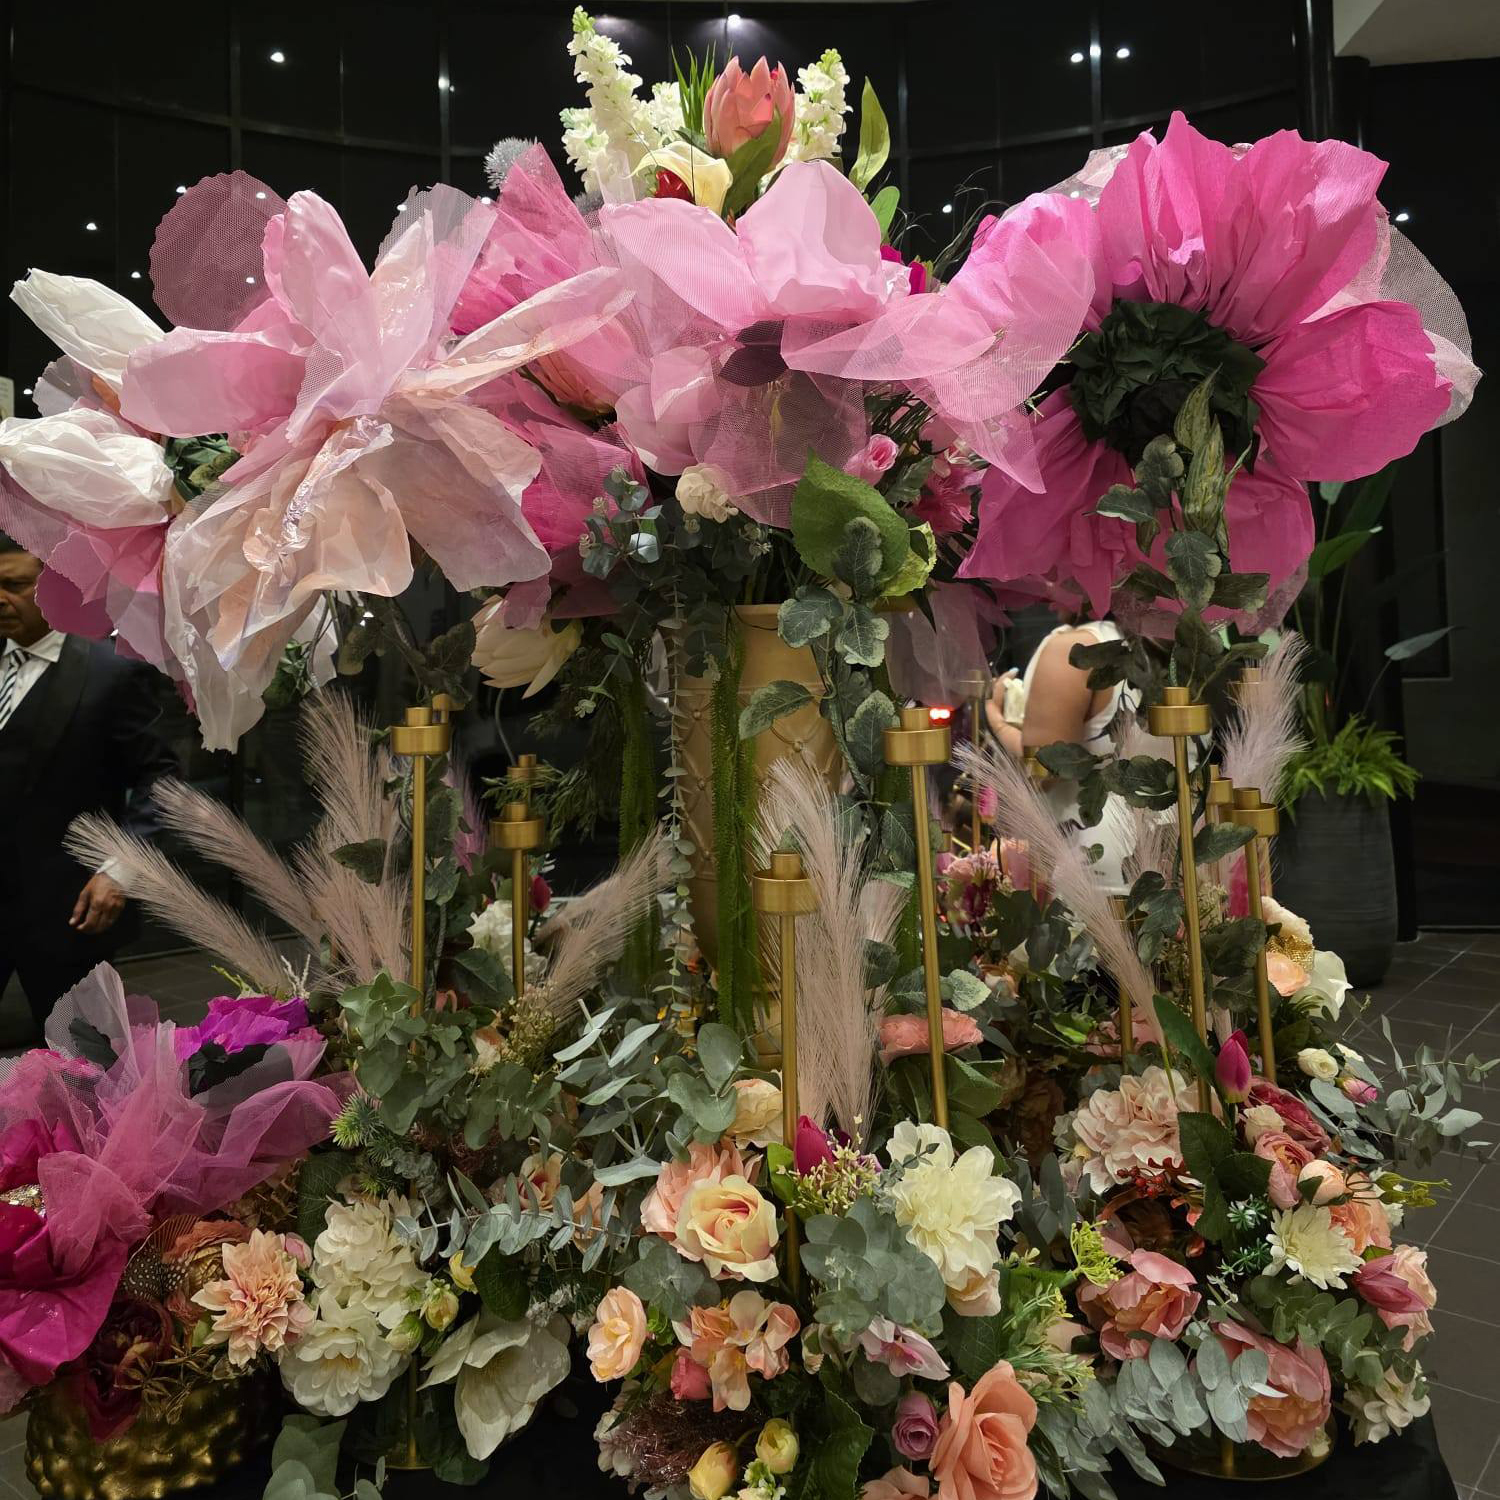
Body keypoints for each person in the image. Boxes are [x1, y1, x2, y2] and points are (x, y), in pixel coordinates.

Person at [0, 537, 178, 1032]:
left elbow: (159, 781)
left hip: (68, 906)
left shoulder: (111, 673)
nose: (0, 598)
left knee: (83, 1068)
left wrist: (119, 870)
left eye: (13, 585)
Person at [986, 616, 1137, 891]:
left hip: (1093, 856)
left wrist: (996, 719)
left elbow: (1044, 767)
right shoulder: (1169, 644)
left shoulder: (1073, 650)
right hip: (1177, 847)